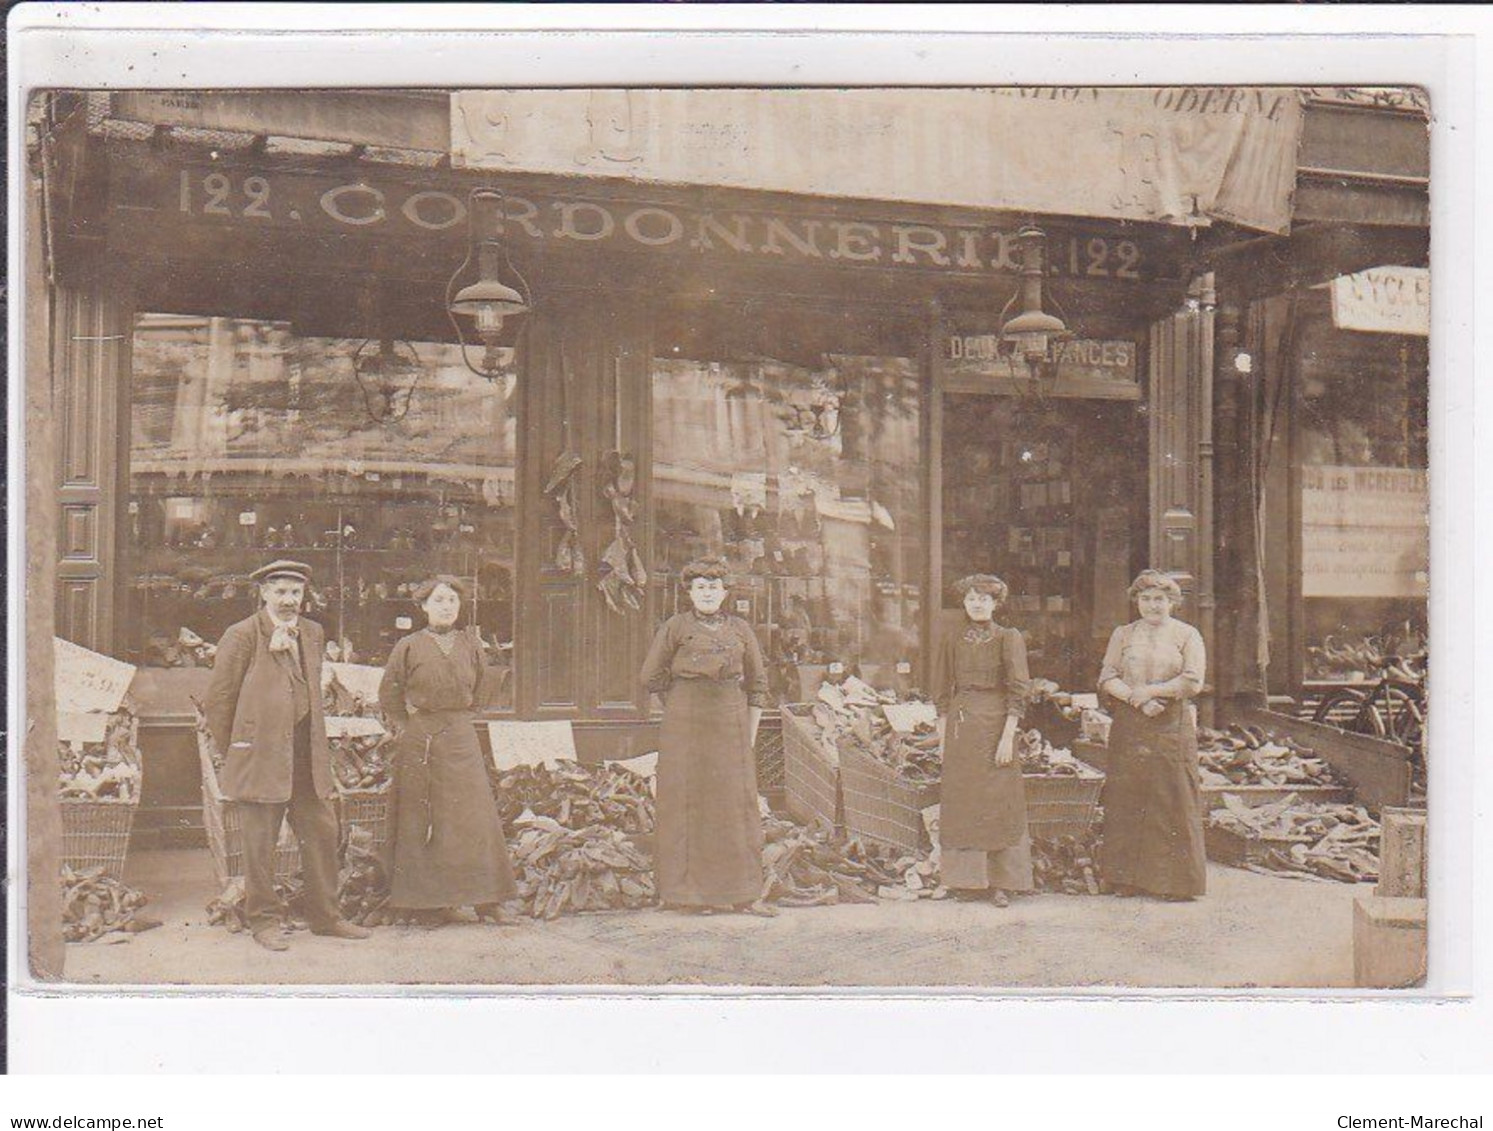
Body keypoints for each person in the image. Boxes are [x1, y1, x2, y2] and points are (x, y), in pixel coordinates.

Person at [203, 560, 372, 951]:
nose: (289, 601)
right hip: (259, 755)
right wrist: (239, 747)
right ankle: (263, 920)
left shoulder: (312, 633)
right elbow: (219, 701)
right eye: (280, 592)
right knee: (259, 843)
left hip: (305, 755)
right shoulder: (242, 635)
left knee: (322, 834)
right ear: (263, 593)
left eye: (296, 593)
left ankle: (326, 916)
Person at [379, 576, 521, 927]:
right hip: (421, 737)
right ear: (424, 606)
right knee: (423, 819)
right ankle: (428, 904)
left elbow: (485, 687)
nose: (446, 607)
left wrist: (461, 719)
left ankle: (487, 901)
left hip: (460, 736)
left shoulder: (471, 644)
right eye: (439, 600)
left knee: (474, 817)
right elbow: (389, 694)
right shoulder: (408, 646)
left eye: (453, 601)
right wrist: (407, 726)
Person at [640, 557, 776, 917]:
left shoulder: (741, 630)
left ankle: (742, 893)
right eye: (700, 587)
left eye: (714, 587)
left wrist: (748, 733)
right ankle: (685, 895)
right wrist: (683, 703)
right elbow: (651, 677)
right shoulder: (675, 627)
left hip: (730, 723)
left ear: (725, 592)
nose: (707, 593)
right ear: (689, 592)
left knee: (733, 805)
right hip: (685, 724)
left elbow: (758, 684)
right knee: (687, 803)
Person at [1097, 569, 1208, 901]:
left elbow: (1192, 681)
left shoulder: (1187, 635)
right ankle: (1125, 880)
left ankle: (1174, 884)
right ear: (1137, 602)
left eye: (1159, 599)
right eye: (1145, 599)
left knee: (1170, 798)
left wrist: (1153, 692)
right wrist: (1136, 698)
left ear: (1172, 602)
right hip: (1131, 722)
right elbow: (1107, 677)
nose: (1152, 606)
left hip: (1170, 721)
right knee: (1127, 797)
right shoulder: (1123, 634)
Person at [930, 574, 1034, 908]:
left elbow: (1019, 690)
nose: (977, 604)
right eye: (972, 598)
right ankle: (966, 881)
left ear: (995, 604)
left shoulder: (1008, 638)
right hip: (962, 726)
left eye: (984, 599)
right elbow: (942, 690)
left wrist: (1008, 737)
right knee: (965, 800)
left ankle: (1002, 882)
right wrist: (942, 737)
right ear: (964, 602)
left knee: (998, 801)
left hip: (996, 725)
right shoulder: (952, 638)